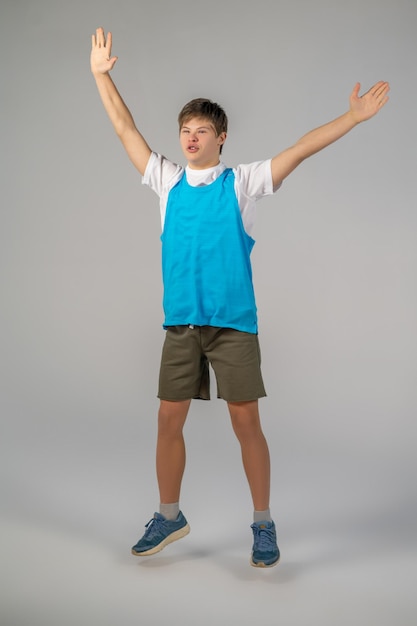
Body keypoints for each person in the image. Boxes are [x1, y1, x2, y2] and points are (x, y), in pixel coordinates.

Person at [90, 27, 389, 568]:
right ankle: (169, 514)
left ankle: (263, 524)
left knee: (246, 423)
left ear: (221, 137)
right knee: (167, 420)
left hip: (233, 325)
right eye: (184, 129)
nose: (190, 137)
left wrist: (351, 119)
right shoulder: (165, 181)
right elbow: (123, 128)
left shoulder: (243, 182)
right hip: (181, 324)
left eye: (201, 130)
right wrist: (101, 75)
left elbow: (299, 149)